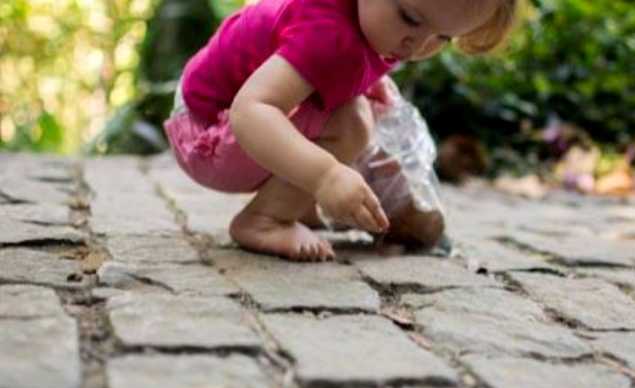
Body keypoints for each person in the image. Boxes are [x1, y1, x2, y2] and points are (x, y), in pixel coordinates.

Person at [164, 0, 521, 262]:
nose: (418, 47)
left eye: (443, 38)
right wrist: (326, 176)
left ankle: (294, 204)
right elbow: (250, 111)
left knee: (354, 111)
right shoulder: (330, 33)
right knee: (352, 124)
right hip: (204, 132)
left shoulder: (376, 21)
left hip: (215, 117)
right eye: (410, 18)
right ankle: (264, 220)